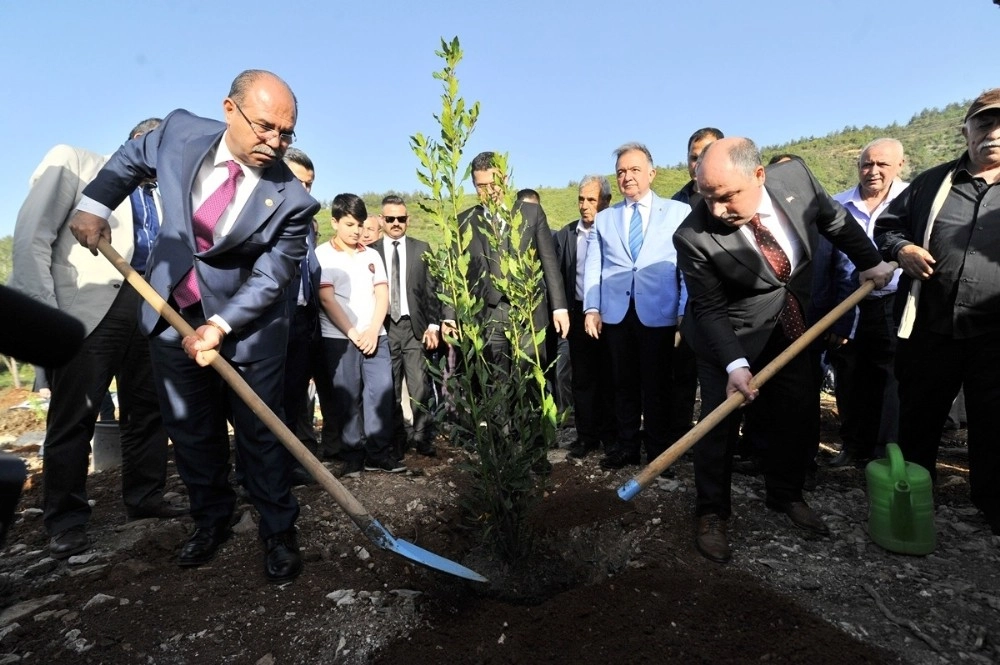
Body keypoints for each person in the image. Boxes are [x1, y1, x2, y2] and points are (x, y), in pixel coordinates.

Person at [68, 70, 319, 583]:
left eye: (286, 134)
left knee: (260, 432)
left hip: (248, 328)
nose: (275, 143)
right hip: (168, 311)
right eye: (265, 127)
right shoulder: (179, 132)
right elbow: (129, 158)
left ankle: (277, 531)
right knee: (190, 430)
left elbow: (273, 277)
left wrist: (221, 326)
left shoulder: (293, 201)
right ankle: (211, 520)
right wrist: (95, 205)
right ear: (231, 109)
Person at [673, 137, 894, 564]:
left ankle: (786, 494)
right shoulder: (694, 236)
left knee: (796, 409)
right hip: (729, 335)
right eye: (707, 196)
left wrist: (870, 261)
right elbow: (710, 308)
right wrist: (735, 365)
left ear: (759, 175)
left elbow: (836, 223)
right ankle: (712, 512)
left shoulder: (797, 178)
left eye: (726, 196)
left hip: (792, 322)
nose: (717, 209)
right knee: (718, 427)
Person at [10, 118, 184, 560]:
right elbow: (33, 235)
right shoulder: (76, 163)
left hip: (151, 307)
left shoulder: (169, 197)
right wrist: (44, 316)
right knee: (76, 415)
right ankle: (65, 519)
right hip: (89, 308)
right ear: (137, 143)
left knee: (147, 410)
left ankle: (145, 497)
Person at [875, 88, 1000, 535]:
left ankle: (992, 506)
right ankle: (911, 494)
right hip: (930, 324)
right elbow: (888, 226)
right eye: (984, 123)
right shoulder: (934, 183)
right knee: (919, 416)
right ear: (965, 129)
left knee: (994, 419)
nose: (993, 133)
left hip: (994, 336)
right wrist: (903, 248)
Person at [583, 143, 689, 470]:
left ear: (651, 174)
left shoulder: (677, 213)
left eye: (634, 170)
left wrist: (684, 309)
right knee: (622, 384)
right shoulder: (605, 220)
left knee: (657, 385)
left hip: (659, 312)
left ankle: (658, 452)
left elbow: (686, 265)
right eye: (621, 172)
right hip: (616, 314)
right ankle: (627, 447)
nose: (627, 177)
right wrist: (592, 308)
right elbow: (594, 265)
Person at [825, 138, 908, 467]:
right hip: (849, 304)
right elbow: (827, 261)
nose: (873, 171)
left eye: (882, 165)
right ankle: (853, 445)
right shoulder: (837, 205)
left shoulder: (912, 200)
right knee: (848, 373)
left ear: (899, 166)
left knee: (891, 375)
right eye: (867, 164)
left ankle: (885, 451)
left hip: (894, 302)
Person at [457, 151, 569, 373]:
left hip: (528, 311)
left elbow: (549, 263)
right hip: (488, 315)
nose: (488, 192)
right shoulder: (464, 221)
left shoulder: (531, 213)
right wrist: (451, 317)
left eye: (493, 183)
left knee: (529, 383)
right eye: (481, 186)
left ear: (505, 179)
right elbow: (456, 271)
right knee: (495, 386)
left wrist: (559, 308)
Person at [316, 193, 403, 478]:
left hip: (375, 336)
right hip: (339, 340)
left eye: (360, 224)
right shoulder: (323, 255)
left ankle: (378, 454)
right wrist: (354, 333)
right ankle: (352, 455)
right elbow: (327, 299)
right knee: (347, 396)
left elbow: (382, 294)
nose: (356, 231)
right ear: (335, 222)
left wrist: (372, 330)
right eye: (350, 224)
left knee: (380, 393)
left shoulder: (372, 254)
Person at [281, 148, 339, 480]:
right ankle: (262, 471)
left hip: (302, 320)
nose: (305, 191)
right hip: (274, 319)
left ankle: (294, 464)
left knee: (295, 395)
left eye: (310, 184)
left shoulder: (308, 223)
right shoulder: (262, 217)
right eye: (298, 182)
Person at [553, 175, 616, 458]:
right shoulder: (566, 235)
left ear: (606, 201)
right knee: (582, 378)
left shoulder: (615, 230)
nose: (585, 205)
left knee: (611, 377)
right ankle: (585, 436)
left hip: (613, 316)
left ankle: (612, 437)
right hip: (578, 315)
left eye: (592, 200)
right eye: (581, 199)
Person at [372, 195, 440, 458]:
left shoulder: (421, 248)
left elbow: (433, 289)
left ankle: (423, 437)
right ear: (382, 220)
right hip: (385, 327)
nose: (396, 223)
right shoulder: (372, 251)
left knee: (419, 385)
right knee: (389, 387)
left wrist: (433, 325)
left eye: (401, 218)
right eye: (390, 219)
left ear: (408, 219)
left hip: (415, 328)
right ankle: (397, 438)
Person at [669, 128, 724, 441]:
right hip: (686, 306)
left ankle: (722, 440)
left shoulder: (735, 199)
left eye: (707, 154)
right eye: (694, 156)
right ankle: (681, 437)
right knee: (682, 374)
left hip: (727, 305)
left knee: (723, 375)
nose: (699, 162)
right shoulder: (676, 203)